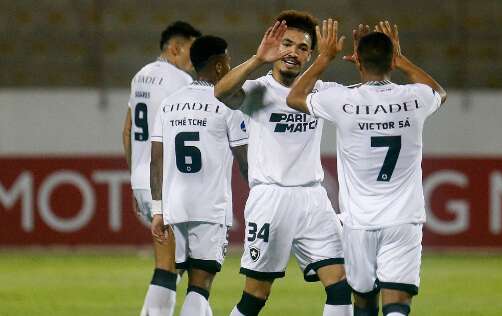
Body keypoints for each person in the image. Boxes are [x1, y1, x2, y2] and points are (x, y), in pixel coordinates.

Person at [287, 20, 447, 316]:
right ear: (392, 60)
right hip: (403, 219)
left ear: (357, 60)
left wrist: (323, 58)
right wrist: (402, 59)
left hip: (359, 222)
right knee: (397, 301)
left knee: (362, 302)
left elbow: (295, 97)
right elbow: (439, 91)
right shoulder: (415, 98)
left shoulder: (343, 100)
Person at [213, 10, 352, 316]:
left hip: (313, 199)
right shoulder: (259, 91)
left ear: (310, 55)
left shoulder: (320, 91)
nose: (293, 52)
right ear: (275, 47)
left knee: (341, 283)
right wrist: (257, 59)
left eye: (302, 48)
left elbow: (361, 106)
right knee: (256, 296)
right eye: (287, 44)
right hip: (271, 198)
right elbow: (221, 92)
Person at [149, 35, 249, 316]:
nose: (230, 64)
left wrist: (158, 209)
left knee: (176, 275)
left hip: (174, 207)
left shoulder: (169, 104)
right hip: (210, 208)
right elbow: (245, 161)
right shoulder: (228, 104)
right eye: (227, 59)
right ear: (219, 65)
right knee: (200, 284)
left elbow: (155, 160)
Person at [121, 21, 201, 316]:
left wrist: (134, 178)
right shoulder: (179, 82)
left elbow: (127, 129)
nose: (195, 60)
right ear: (175, 47)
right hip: (166, 183)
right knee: (172, 266)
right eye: (192, 51)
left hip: (143, 179)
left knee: (177, 263)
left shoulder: (140, 76)